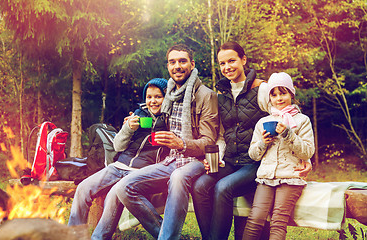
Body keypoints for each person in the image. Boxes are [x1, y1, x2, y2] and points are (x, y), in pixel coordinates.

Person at [191, 42, 312, 240]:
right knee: (200, 186)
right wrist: (218, 158)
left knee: (223, 187)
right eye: (222, 63)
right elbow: (222, 135)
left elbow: (287, 118)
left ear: (243, 60)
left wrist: (306, 160)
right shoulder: (221, 95)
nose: (227, 67)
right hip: (231, 161)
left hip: (255, 162)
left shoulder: (263, 90)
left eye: (232, 61)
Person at [112, 43, 219, 240]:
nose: (177, 66)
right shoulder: (168, 94)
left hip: (196, 161)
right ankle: (166, 235)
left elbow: (209, 141)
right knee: (123, 187)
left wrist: (182, 144)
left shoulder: (206, 95)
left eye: (182, 61)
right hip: (170, 160)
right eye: (172, 62)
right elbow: (151, 112)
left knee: (178, 177)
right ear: (168, 66)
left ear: (192, 64)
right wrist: (132, 121)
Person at [67, 78, 169, 240]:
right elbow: (118, 146)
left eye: (158, 97)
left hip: (142, 171)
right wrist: (128, 129)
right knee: (83, 189)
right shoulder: (138, 115)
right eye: (149, 97)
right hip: (119, 166)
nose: (153, 101)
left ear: (166, 97)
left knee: (114, 195)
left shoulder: (170, 118)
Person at [242, 72, 315, 240]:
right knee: (255, 219)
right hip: (266, 178)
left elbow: (307, 152)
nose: (279, 98)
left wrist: (289, 134)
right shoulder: (262, 122)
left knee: (278, 221)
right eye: (274, 95)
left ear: (291, 94)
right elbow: (253, 155)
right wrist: (263, 142)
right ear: (270, 98)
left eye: (283, 93)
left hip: (290, 177)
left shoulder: (302, 120)